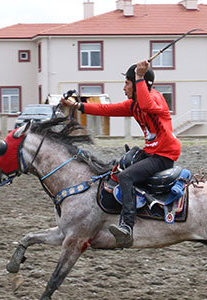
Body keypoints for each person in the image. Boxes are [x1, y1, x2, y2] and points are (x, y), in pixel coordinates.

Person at [59, 60, 179, 248]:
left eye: (127, 83)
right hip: (150, 152)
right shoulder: (133, 105)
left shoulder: (156, 98)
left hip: (164, 156)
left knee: (126, 176)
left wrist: (139, 76)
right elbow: (106, 109)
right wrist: (76, 105)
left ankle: (127, 226)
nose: (124, 88)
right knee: (116, 167)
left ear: (141, 84)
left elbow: (147, 105)